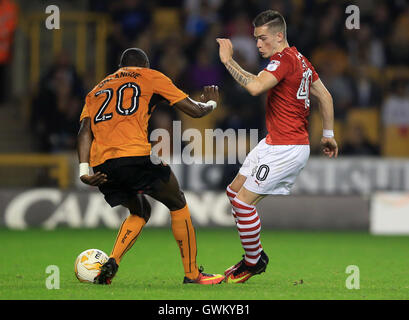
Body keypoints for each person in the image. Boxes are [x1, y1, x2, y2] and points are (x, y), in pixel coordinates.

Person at [77, 48, 224, 285]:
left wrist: (84, 171)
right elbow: (195, 111)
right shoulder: (150, 76)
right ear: (143, 66)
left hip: (102, 165)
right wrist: (211, 104)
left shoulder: (96, 90)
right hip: (135, 156)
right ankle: (192, 274)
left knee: (141, 211)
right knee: (177, 202)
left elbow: (84, 131)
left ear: (120, 67)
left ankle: (111, 262)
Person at [216, 10, 338, 283]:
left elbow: (256, 87)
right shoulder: (301, 61)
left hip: (287, 147)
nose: (258, 44)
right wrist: (328, 134)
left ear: (279, 36)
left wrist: (228, 61)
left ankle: (254, 262)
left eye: (262, 39)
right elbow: (325, 97)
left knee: (244, 204)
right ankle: (254, 256)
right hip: (273, 142)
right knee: (233, 191)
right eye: (255, 39)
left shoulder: (283, 60)